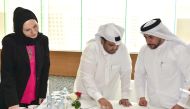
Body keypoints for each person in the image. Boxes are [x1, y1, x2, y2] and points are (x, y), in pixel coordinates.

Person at [0, 7, 50, 109]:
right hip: (15, 96)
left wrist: (42, 94)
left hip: (34, 95)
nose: (34, 32)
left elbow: (45, 69)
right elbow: (7, 75)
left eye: (35, 26)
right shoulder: (10, 43)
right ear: (19, 29)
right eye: (28, 30)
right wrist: (12, 103)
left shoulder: (42, 40)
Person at [134, 18, 190, 109]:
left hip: (175, 106)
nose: (148, 41)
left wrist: (181, 103)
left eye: (151, 37)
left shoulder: (178, 49)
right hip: (152, 105)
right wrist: (141, 96)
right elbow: (139, 74)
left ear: (160, 34)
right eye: (145, 37)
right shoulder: (144, 50)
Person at [74, 23, 132, 109]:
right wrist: (99, 98)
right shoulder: (91, 49)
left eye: (117, 45)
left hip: (108, 95)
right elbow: (87, 77)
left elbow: (126, 72)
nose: (115, 48)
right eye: (111, 45)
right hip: (86, 95)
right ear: (102, 40)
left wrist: (125, 95)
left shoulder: (122, 49)